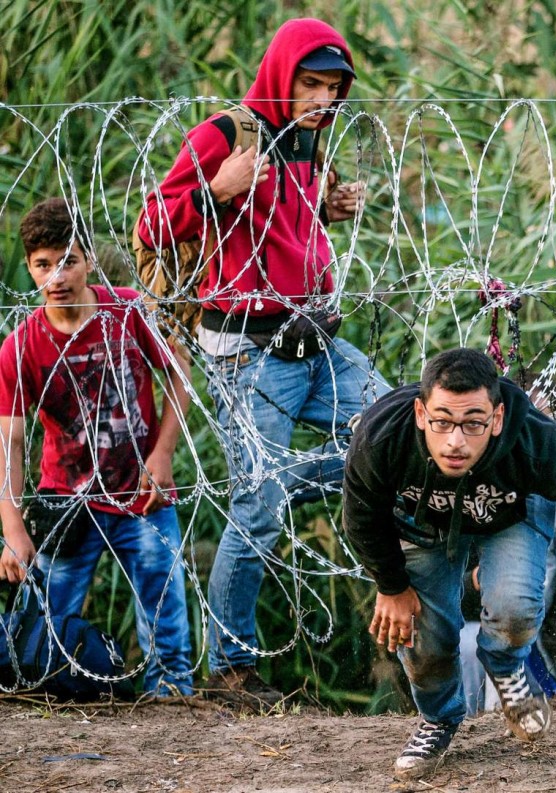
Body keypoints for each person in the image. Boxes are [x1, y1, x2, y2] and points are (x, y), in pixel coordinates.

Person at [139, 18, 389, 709]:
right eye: (311, 84)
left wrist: (331, 210)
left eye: (333, 89)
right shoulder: (226, 135)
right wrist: (217, 188)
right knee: (257, 511)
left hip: (317, 338)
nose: (321, 100)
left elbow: (286, 228)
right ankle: (231, 670)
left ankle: (278, 482)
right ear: (282, 75)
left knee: (396, 434)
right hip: (250, 350)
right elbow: (150, 225)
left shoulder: (310, 140)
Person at [342, 348, 556, 781]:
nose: (456, 441)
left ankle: (507, 666)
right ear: (421, 413)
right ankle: (439, 718)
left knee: (515, 610)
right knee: (424, 638)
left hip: (511, 514)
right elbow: (360, 514)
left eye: (473, 423)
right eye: (442, 421)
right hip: (420, 523)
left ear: (496, 418)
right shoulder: (384, 437)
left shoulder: (531, 439)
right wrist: (391, 585)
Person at [0, 198, 193, 697]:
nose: (57, 276)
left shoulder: (125, 309)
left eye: (68, 261)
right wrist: (13, 529)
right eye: (44, 265)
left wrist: (164, 452)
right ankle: (49, 702)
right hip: (66, 500)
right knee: (43, 630)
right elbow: (11, 441)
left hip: (142, 493)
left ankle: (172, 707)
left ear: (87, 258)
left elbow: (179, 372)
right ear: (29, 268)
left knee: (165, 618)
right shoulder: (21, 347)